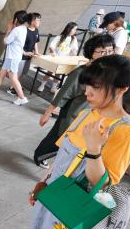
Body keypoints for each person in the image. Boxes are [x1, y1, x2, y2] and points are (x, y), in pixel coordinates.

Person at [0, 54, 130, 229]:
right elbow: (63, 151)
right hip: (57, 186)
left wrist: (94, 149)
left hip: (82, 199)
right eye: (88, 84)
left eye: (96, 86)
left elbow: (103, 183)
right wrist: (44, 181)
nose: (87, 91)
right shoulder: (88, 112)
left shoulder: (125, 130)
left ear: (122, 89)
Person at [34, 34, 115, 168]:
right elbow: (64, 94)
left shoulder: (105, 71)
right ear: (92, 53)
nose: (108, 54)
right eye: (103, 51)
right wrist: (47, 113)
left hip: (88, 116)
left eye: (110, 50)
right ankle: (40, 154)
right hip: (72, 114)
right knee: (58, 137)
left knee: (70, 140)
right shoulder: (81, 73)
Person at [38, 22, 79, 93]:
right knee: (49, 72)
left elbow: (74, 49)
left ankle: (53, 87)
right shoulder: (59, 37)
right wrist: (53, 52)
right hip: (55, 58)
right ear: (69, 28)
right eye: (74, 29)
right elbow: (51, 46)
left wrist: (74, 53)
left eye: (76, 29)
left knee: (58, 74)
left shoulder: (73, 39)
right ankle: (42, 85)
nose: (75, 31)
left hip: (63, 60)